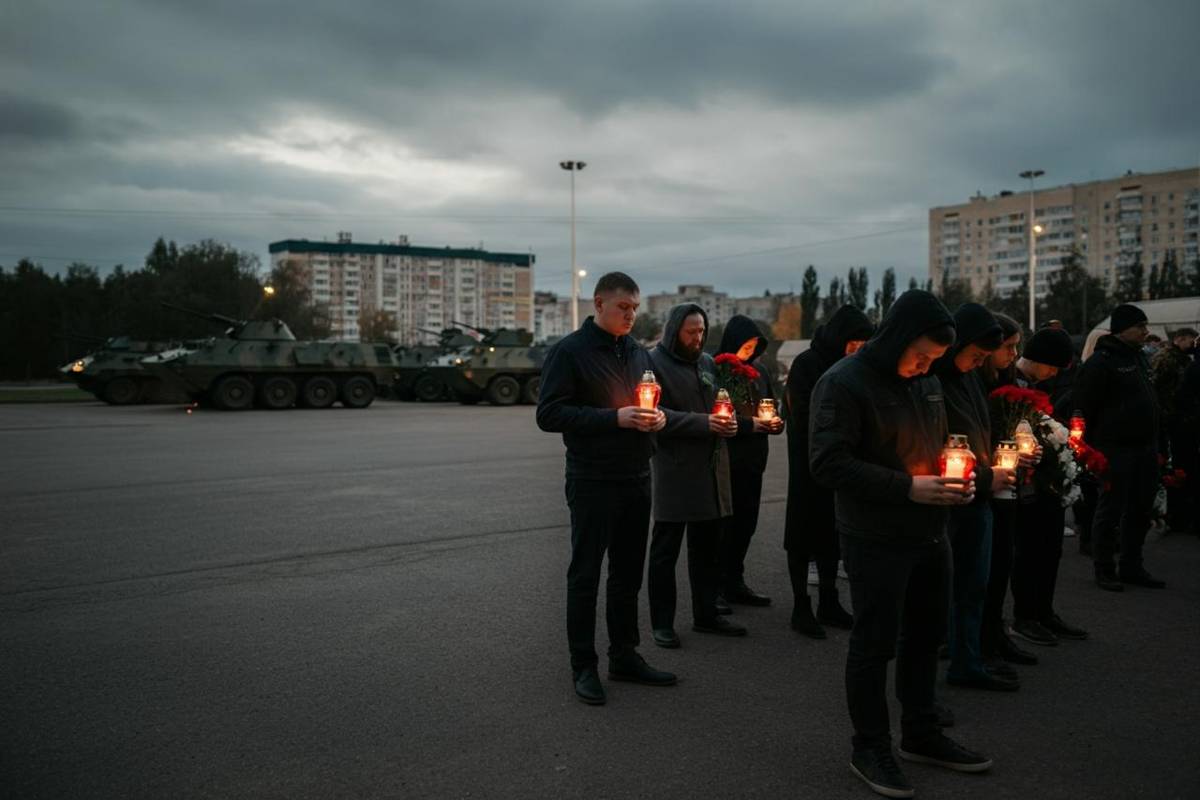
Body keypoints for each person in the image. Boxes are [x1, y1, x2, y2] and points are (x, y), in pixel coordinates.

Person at [810, 290, 992, 799]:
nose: (925, 367)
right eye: (921, 355)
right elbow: (827, 463)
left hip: (930, 531)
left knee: (925, 635)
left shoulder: (928, 382)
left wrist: (959, 477)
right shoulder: (843, 382)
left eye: (934, 360)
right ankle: (870, 746)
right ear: (897, 337)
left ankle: (921, 731)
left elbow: (936, 446)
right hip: (874, 536)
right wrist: (907, 487)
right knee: (875, 643)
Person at [536, 271, 676, 706]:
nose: (630, 315)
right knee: (586, 575)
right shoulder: (570, 352)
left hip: (636, 475)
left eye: (635, 308)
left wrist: (659, 418)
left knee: (627, 574)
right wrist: (613, 418)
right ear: (599, 304)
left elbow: (651, 396)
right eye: (623, 307)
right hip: (592, 478)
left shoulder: (637, 352)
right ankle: (584, 665)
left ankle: (624, 655)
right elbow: (549, 414)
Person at [646, 303, 745, 648]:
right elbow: (654, 412)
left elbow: (718, 403)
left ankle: (706, 614)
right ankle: (662, 623)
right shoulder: (653, 362)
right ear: (675, 330)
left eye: (702, 331)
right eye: (691, 332)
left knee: (706, 550)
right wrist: (705, 423)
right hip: (674, 469)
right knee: (665, 552)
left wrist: (729, 421)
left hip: (709, 470)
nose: (697, 338)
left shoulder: (706, 363)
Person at [932, 304, 1018, 691]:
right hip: (954, 501)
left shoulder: (968, 378)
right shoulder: (934, 382)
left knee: (974, 587)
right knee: (955, 588)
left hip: (978, 498)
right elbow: (937, 449)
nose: (981, 362)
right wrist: (987, 477)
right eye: (977, 355)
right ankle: (956, 665)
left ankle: (969, 658)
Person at [784, 304, 873, 639]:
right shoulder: (807, 363)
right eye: (853, 342)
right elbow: (801, 413)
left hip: (840, 460)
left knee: (830, 533)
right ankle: (801, 605)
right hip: (808, 460)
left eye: (863, 343)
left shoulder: (855, 367)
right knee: (802, 531)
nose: (857, 348)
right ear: (839, 337)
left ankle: (829, 600)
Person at [1074, 304, 1167, 591]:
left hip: (1145, 447)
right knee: (1111, 509)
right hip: (1115, 449)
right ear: (1122, 329)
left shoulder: (1138, 358)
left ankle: (1131, 565)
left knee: (1140, 509)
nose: (1145, 331)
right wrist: (1092, 450)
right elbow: (1084, 406)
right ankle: (1104, 568)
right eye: (1140, 326)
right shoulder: (1101, 362)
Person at [1007, 327, 1089, 647]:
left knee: (1050, 547)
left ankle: (1044, 610)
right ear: (1037, 359)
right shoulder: (1010, 383)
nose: (1055, 374)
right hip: (1025, 481)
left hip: (1048, 479)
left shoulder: (1041, 384)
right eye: (1052, 366)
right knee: (1029, 550)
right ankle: (1025, 615)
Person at [979, 313, 1040, 668]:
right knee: (983, 569)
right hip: (982, 485)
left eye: (1017, 346)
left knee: (1003, 560)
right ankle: (979, 638)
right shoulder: (974, 382)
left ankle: (995, 632)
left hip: (1007, 483)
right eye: (1007, 346)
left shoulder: (1010, 380)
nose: (1014, 354)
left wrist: (1028, 446)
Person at [716, 315, 785, 607]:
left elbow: (770, 404)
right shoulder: (718, 370)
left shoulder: (760, 371)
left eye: (755, 345)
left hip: (754, 461)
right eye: (746, 344)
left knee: (746, 524)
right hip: (728, 460)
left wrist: (775, 422)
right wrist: (751, 425)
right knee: (724, 527)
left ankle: (735, 581)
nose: (750, 349)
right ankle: (716, 587)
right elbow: (719, 414)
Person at [1150, 327, 1198, 532]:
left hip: (1180, 418)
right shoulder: (1166, 359)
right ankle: (1175, 515)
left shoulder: (1183, 359)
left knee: (1183, 467)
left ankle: (1182, 514)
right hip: (1171, 419)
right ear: (1180, 339)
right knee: (1175, 467)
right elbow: (1155, 387)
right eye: (1190, 341)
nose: (1193, 345)